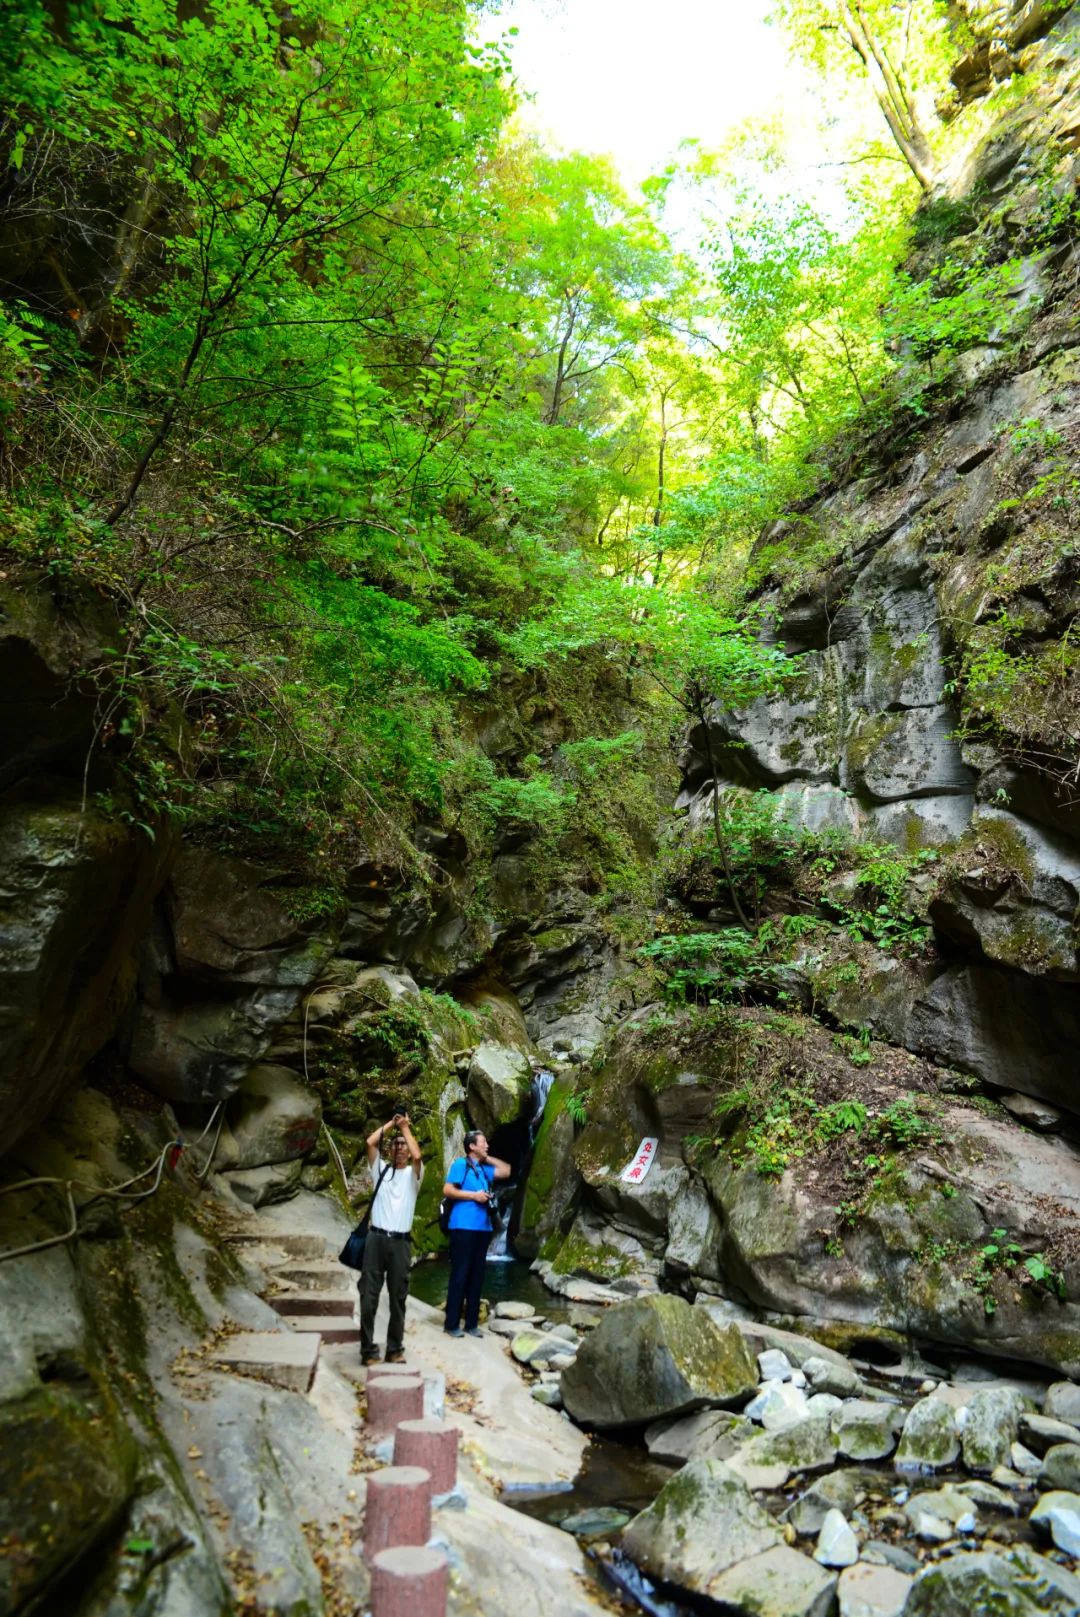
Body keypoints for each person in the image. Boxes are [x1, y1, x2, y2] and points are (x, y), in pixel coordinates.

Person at [356, 1110, 423, 1366]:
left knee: (398, 1298)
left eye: (403, 1145)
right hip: (376, 1239)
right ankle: (368, 1350)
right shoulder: (380, 1170)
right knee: (368, 1296)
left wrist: (405, 1128)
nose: (400, 1149)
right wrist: (391, 1124)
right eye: (395, 1145)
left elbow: (417, 1155)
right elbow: (370, 1143)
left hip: (401, 1242)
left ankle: (394, 1349)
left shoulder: (414, 1176)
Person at [442, 1129, 510, 1339]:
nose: (487, 1145)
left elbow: (506, 1170)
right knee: (460, 1274)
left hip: (483, 1229)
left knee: (477, 1277)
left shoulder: (483, 1169)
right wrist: (474, 1196)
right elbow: (447, 1190)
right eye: (483, 1143)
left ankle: (471, 1324)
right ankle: (451, 1323)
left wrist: (485, 1156)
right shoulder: (461, 1165)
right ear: (471, 1146)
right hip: (462, 1227)